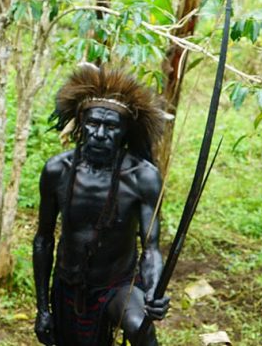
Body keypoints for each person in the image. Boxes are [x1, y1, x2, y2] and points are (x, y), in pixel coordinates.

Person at [33, 64, 171, 345]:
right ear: (81, 122)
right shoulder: (58, 170)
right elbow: (43, 240)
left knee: (139, 328)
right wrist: (43, 309)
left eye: (110, 126)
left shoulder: (142, 177)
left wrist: (154, 291)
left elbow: (151, 248)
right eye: (93, 123)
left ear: (124, 131)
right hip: (68, 283)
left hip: (118, 284)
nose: (99, 133)